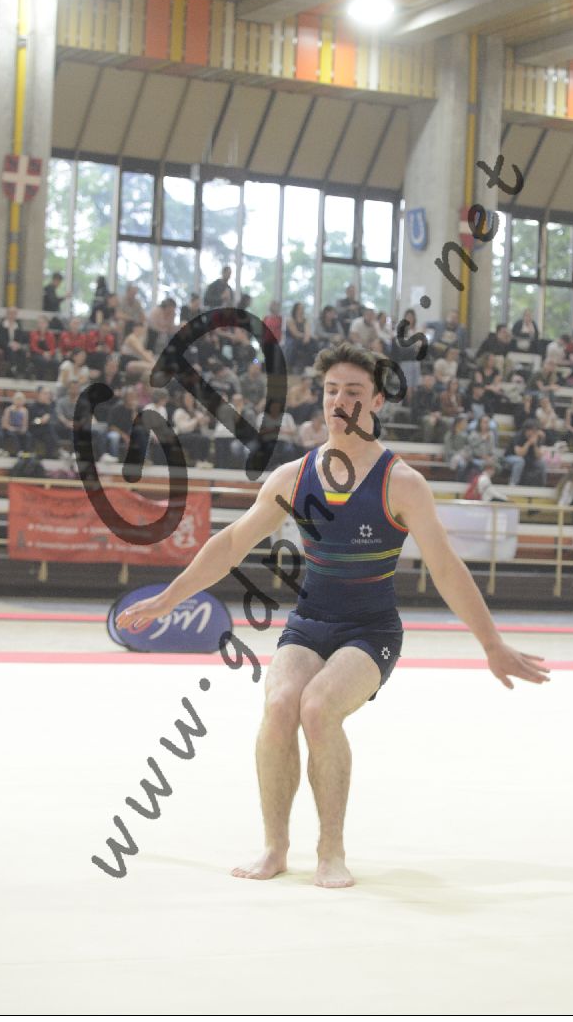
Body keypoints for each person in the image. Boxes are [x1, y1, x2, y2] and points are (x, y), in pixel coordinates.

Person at [117, 342, 549, 888]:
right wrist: (168, 598)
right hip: (310, 622)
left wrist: (491, 643)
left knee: (318, 708)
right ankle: (275, 847)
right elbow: (230, 545)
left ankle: (331, 850)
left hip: (371, 631)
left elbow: (445, 567)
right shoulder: (293, 477)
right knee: (281, 705)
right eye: (331, 391)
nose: (340, 401)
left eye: (354, 392)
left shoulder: (401, 484)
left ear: (377, 402)